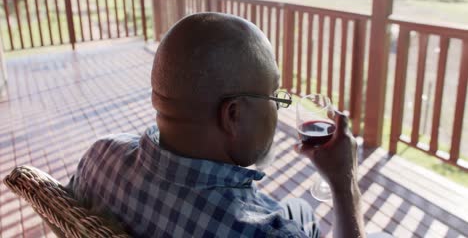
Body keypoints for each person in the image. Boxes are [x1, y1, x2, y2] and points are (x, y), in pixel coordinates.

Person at [67, 12, 366, 237]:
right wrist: (344, 184)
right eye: (274, 95)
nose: (277, 105)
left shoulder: (99, 156)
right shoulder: (269, 233)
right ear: (233, 115)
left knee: (299, 210)